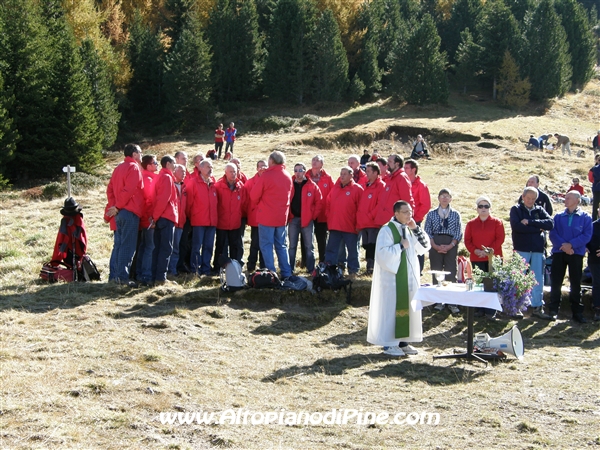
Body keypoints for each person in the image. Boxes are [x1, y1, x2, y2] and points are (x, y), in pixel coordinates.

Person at [367, 200, 431, 356]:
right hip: (392, 280)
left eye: (410, 211)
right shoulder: (387, 230)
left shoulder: (409, 229)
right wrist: (401, 246)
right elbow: (382, 255)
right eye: (406, 212)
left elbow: (424, 247)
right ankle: (389, 344)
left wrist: (416, 229)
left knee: (408, 308)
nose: (410, 215)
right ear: (396, 214)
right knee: (392, 309)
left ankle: (403, 342)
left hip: (408, 277)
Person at [545, 191, 593, 322]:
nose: (565, 200)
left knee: (575, 283)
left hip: (576, 254)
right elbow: (553, 234)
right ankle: (553, 310)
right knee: (556, 282)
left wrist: (571, 245)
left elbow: (586, 235)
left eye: (568, 198)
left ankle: (577, 312)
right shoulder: (558, 216)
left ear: (577, 200)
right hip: (559, 253)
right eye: (565, 198)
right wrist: (565, 247)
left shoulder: (586, 217)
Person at [510, 186, 554, 318]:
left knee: (537, 279)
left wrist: (530, 222)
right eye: (528, 198)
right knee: (518, 278)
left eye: (533, 199)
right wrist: (537, 228)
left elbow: (550, 224)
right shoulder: (516, 209)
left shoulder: (539, 210)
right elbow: (517, 227)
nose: (530, 201)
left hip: (537, 249)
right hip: (521, 248)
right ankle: (516, 307)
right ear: (523, 197)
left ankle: (537, 307)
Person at [250, 151, 294, 279]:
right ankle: (286, 272)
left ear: (271, 161)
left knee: (266, 245)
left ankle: (271, 274)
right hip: (281, 217)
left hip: (266, 217)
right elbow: (290, 195)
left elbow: (253, 196)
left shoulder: (266, 176)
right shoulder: (287, 176)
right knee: (281, 245)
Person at [106, 143, 145, 287]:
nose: (141, 155)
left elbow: (110, 189)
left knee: (119, 245)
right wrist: (117, 206)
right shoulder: (133, 167)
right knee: (127, 246)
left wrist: (114, 207)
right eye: (140, 152)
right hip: (129, 211)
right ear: (134, 154)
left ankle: (114, 277)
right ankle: (122, 278)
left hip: (120, 213)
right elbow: (129, 190)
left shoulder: (118, 168)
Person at [464, 196, 505, 320]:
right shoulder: (471, 224)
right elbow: (467, 240)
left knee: (492, 285)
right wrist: (476, 251)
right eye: (480, 206)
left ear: (490, 208)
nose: (483, 208)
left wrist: (488, 252)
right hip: (477, 258)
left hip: (493, 258)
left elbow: (500, 239)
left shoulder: (497, 222)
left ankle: (491, 311)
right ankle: (480, 309)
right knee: (480, 285)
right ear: (476, 208)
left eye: (486, 206)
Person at [424, 188, 463, 314]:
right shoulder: (431, 214)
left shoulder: (456, 214)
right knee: (436, 270)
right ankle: (438, 301)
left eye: (447, 196)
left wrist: (451, 245)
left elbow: (458, 232)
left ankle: (452, 302)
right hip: (435, 242)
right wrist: (434, 245)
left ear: (451, 198)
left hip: (450, 243)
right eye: (442, 196)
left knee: (451, 271)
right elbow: (427, 231)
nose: (445, 198)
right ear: (438, 198)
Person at [325, 167, 363, 278]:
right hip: (335, 225)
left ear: (351, 175)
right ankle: (330, 268)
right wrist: (329, 217)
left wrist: (358, 224)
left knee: (352, 250)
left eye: (345, 174)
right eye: (341, 174)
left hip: (350, 226)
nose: (342, 176)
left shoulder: (357, 189)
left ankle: (353, 270)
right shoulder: (335, 188)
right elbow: (328, 203)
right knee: (332, 249)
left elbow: (361, 209)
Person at [288, 163, 323, 274]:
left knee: (309, 246)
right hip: (293, 219)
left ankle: (310, 269)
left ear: (304, 171)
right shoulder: (289, 184)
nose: (298, 173)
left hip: (307, 221)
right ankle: (290, 269)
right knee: (292, 246)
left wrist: (312, 216)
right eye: (295, 170)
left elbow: (319, 202)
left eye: (300, 170)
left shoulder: (312, 186)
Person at [186, 159, 218, 276]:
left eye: (212, 167)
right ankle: (195, 270)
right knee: (196, 246)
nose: (210, 169)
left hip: (211, 221)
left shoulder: (213, 183)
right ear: (201, 168)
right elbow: (188, 203)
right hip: (198, 220)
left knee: (209, 246)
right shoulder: (193, 182)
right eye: (208, 167)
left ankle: (206, 269)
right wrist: (193, 216)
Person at [151, 155, 178, 285]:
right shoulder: (167, 177)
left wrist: (155, 217)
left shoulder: (160, 177)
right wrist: (155, 217)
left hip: (160, 217)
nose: (175, 165)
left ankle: (155, 276)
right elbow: (163, 199)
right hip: (166, 217)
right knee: (166, 248)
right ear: (167, 164)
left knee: (158, 248)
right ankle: (161, 278)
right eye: (173, 163)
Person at [214, 163, 245, 271]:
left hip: (235, 222)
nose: (233, 174)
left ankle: (234, 268)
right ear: (225, 172)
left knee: (234, 246)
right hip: (222, 222)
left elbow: (244, 203)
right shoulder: (218, 186)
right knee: (220, 246)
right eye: (231, 172)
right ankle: (218, 267)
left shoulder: (241, 186)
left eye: (235, 172)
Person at [356, 162, 385, 274]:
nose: (366, 173)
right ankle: (369, 267)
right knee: (366, 245)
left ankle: (372, 268)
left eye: (368, 171)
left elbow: (380, 204)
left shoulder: (381, 186)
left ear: (375, 172)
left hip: (373, 223)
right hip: (364, 222)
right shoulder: (366, 185)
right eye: (366, 171)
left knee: (373, 245)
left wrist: (370, 215)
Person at [404, 158, 431, 274]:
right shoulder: (403, 182)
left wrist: (414, 219)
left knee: (417, 245)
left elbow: (425, 205)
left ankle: (418, 270)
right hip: (402, 221)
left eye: (406, 168)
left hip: (415, 222)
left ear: (413, 170)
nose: (404, 170)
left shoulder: (421, 185)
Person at [135, 155, 158, 285]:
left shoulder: (144, 177)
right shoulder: (148, 179)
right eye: (155, 163)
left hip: (144, 217)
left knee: (144, 246)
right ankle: (146, 275)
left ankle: (140, 273)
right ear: (148, 166)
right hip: (148, 218)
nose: (157, 165)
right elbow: (150, 200)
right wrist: (152, 218)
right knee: (150, 246)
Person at [373, 154, 414, 227]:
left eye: (390, 161)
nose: (387, 163)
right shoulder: (390, 178)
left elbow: (407, 200)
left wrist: (407, 217)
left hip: (394, 222)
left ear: (397, 164)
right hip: (384, 220)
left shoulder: (401, 177)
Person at [308, 155, 334, 263]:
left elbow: (332, 195)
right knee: (307, 240)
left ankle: (323, 261)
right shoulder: (305, 175)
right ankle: (306, 262)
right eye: (313, 160)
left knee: (321, 239)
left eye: (317, 160)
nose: (314, 162)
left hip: (322, 214)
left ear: (322, 164)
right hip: (308, 213)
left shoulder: (327, 178)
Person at [242, 160, 267, 272]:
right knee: (255, 243)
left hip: (266, 219)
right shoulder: (250, 182)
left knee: (265, 243)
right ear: (257, 168)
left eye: (264, 166)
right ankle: (251, 265)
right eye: (260, 166)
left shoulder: (269, 181)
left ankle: (263, 265)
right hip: (254, 217)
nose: (262, 169)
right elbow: (246, 200)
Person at [51, 197, 87, 270]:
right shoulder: (66, 220)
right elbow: (61, 240)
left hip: (76, 252)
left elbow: (81, 237)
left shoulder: (77, 219)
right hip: (70, 254)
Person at [168, 164, 187, 276]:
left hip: (181, 222)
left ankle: (173, 270)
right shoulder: (171, 185)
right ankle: (169, 270)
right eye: (181, 172)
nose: (184, 174)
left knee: (176, 248)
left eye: (184, 172)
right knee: (170, 248)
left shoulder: (184, 187)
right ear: (174, 172)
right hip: (172, 221)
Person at [585, 210, 600, 321]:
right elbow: (585, 239)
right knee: (597, 283)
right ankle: (598, 309)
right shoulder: (592, 225)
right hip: (595, 260)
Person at [588, 153, 600, 221]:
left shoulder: (593, 169)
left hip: (596, 188)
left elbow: (590, 178)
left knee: (595, 205)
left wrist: (595, 183)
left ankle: (594, 219)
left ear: (598, 161)